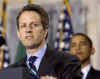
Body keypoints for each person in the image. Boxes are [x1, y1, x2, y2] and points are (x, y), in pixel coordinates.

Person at [9, 4, 81, 79]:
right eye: (23, 26)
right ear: (18, 34)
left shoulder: (68, 62)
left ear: (45, 31)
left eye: (34, 25)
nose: (28, 30)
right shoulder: (11, 70)